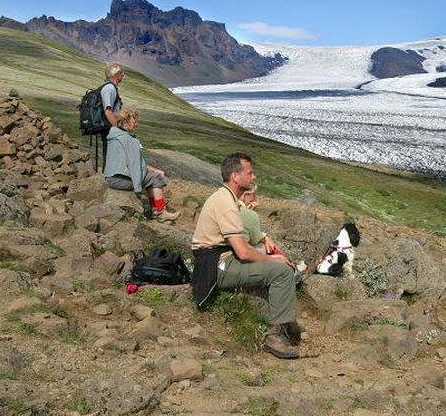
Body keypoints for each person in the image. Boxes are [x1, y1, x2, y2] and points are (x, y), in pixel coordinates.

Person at [191, 152, 301, 359]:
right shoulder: (226, 203)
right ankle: (274, 335)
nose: (254, 177)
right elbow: (242, 251)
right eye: (250, 173)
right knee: (282, 272)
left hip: (218, 259)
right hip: (217, 266)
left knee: (274, 266)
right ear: (235, 176)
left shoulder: (224, 198)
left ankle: (284, 320)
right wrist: (273, 258)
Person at [103, 108, 180, 222]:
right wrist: (138, 188)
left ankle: (155, 209)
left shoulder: (114, 135)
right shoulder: (129, 139)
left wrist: (148, 172)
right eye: (134, 122)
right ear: (125, 123)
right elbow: (135, 165)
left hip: (110, 177)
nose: (136, 125)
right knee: (156, 178)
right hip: (121, 179)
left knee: (150, 176)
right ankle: (160, 212)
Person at [239, 184, 279, 253]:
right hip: (236, 251)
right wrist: (265, 238)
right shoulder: (248, 214)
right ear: (244, 196)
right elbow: (255, 239)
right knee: (264, 248)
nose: (255, 199)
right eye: (253, 195)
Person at [100, 63, 124, 170]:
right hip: (109, 127)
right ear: (116, 74)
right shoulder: (109, 88)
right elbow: (108, 111)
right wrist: (117, 129)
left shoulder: (111, 88)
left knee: (111, 152)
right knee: (109, 152)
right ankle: (109, 177)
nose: (123, 75)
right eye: (121, 72)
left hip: (110, 127)